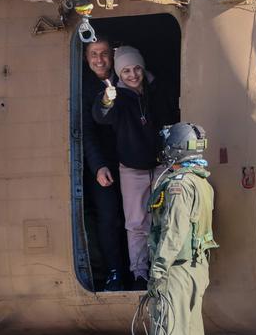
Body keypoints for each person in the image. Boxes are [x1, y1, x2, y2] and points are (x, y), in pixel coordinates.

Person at [92, 46, 178, 289]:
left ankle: (163, 271)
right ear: (120, 74)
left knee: (164, 219)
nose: (132, 75)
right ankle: (139, 274)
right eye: (126, 70)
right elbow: (101, 115)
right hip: (132, 168)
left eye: (136, 68)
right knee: (136, 223)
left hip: (162, 164)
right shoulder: (114, 95)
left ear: (143, 68)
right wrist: (107, 99)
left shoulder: (158, 89)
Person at [146, 122, 219, 335]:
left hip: (175, 270)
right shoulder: (202, 182)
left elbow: (174, 231)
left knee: (168, 327)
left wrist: (158, 271)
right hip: (196, 269)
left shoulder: (179, 185)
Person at [81, 36, 127, 291]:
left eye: (104, 53)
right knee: (108, 219)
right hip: (103, 165)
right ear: (87, 59)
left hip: (131, 161)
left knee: (135, 219)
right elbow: (86, 131)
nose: (100, 59)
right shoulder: (84, 88)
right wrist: (98, 166)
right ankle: (114, 273)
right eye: (94, 54)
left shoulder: (128, 77)